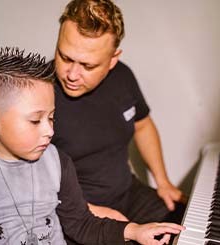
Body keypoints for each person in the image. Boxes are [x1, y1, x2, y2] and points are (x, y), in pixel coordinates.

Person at [0, 47, 184, 244]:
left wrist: (135, 231)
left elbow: (81, 224)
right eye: (35, 120)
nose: (49, 130)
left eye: (51, 117)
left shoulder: (58, 162)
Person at [51, 0, 186, 241]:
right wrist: (102, 217)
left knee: (184, 223)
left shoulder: (123, 76)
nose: (72, 74)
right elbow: (28, 185)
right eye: (65, 57)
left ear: (113, 59)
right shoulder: (37, 93)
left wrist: (163, 181)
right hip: (77, 213)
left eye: (87, 65)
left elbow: (143, 126)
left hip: (128, 193)